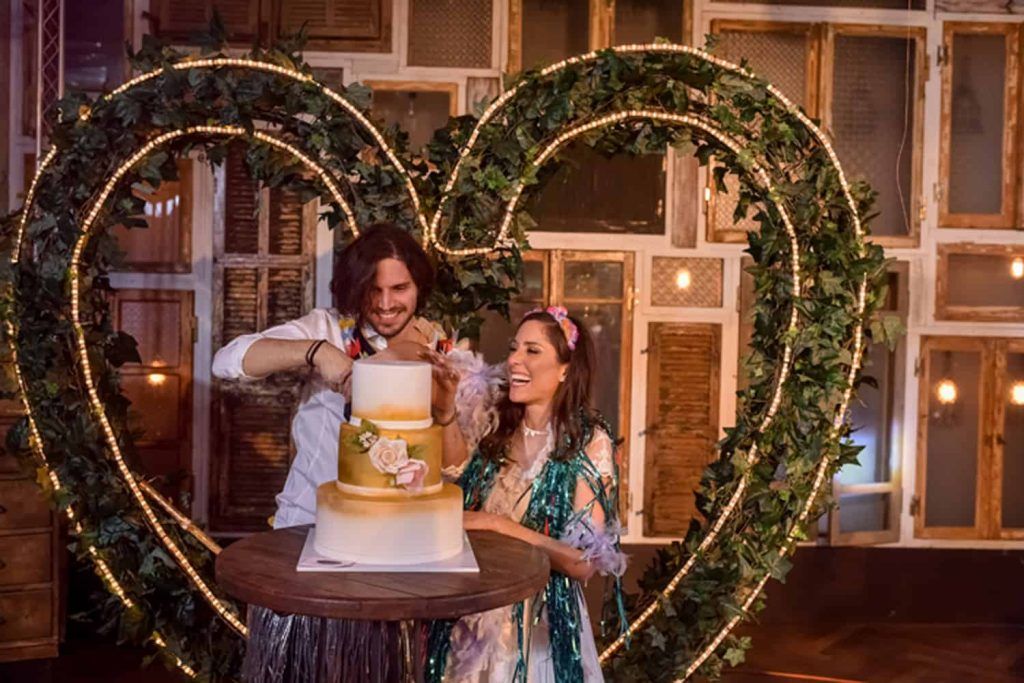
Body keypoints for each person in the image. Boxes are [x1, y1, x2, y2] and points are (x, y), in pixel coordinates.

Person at [211, 222, 464, 528]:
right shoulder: (328, 330)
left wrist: (446, 412)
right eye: (373, 290)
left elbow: (453, 471)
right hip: (310, 521)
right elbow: (226, 361)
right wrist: (318, 352)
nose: (385, 304)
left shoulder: (443, 354)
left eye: (399, 288)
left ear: (419, 287)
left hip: (400, 532)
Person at [428, 307, 628, 683]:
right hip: (473, 616)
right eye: (514, 348)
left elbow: (582, 563)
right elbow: (455, 474)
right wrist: (446, 409)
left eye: (532, 351)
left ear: (565, 369)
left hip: (538, 628)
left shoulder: (588, 442)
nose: (514, 360)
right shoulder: (496, 424)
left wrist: (498, 526)